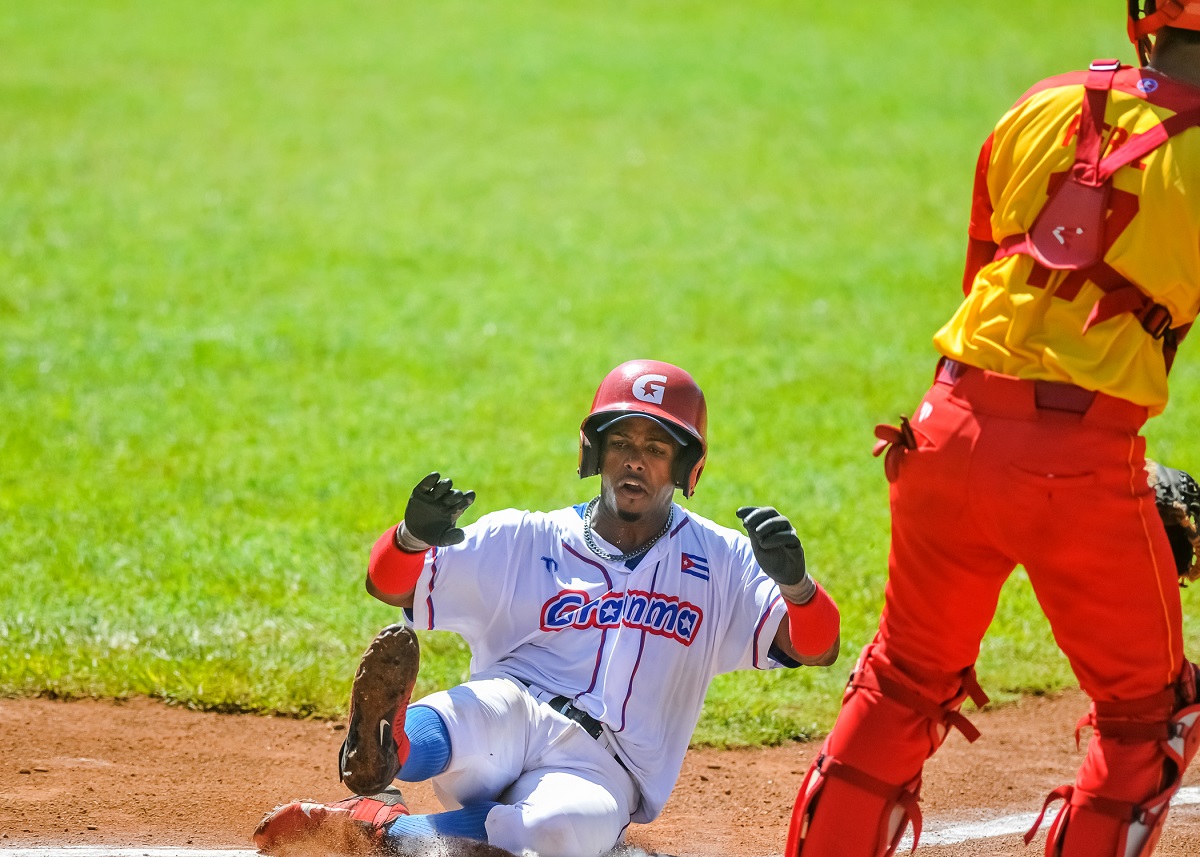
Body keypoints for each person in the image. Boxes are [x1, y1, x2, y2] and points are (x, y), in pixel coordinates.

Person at [785, 6, 1200, 857]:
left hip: (942, 433)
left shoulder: (1043, 103)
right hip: (1079, 469)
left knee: (902, 683)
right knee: (1147, 723)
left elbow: (989, 284)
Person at [254, 358, 842, 857]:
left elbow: (816, 648)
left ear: (687, 466)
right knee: (477, 711)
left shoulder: (723, 561)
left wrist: (796, 585)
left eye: (656, 447)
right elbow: (391, 586)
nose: (635, 459)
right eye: (622, 443)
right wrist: (410, 537)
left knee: (545, 834)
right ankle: (388, 752)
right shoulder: (526, 538)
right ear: (597, 453)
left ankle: (382, 831)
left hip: (607, 769)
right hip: (515, 710)